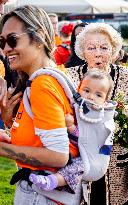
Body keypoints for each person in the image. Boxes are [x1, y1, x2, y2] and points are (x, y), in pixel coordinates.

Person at [0, 5, 79, 205]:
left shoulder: (42, 85)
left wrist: (2, 149)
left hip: (41, 195)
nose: (6, 48)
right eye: (1, 42)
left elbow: (58, 156)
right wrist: (10, 122)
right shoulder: (49, 75)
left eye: (12, 40)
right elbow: (41, 136)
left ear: (38, 38)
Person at [66, 23, 128, 205]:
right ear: (82, 50)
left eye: (104, 47)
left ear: (114, 50)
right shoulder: (69, 77)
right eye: (91, 48)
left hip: (118, 168)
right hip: (80, 163)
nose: (98, 53)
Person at [28, 68, 114, 192]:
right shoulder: (78, 106)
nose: (91, 97)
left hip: (92, 160)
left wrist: (71, 127)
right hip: (74, 153)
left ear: (105, 100)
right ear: (78, 89)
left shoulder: (101, 115)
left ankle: (53, 181)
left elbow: (88, 138)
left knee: (77, 166)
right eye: (86, 90)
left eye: (98, 95)